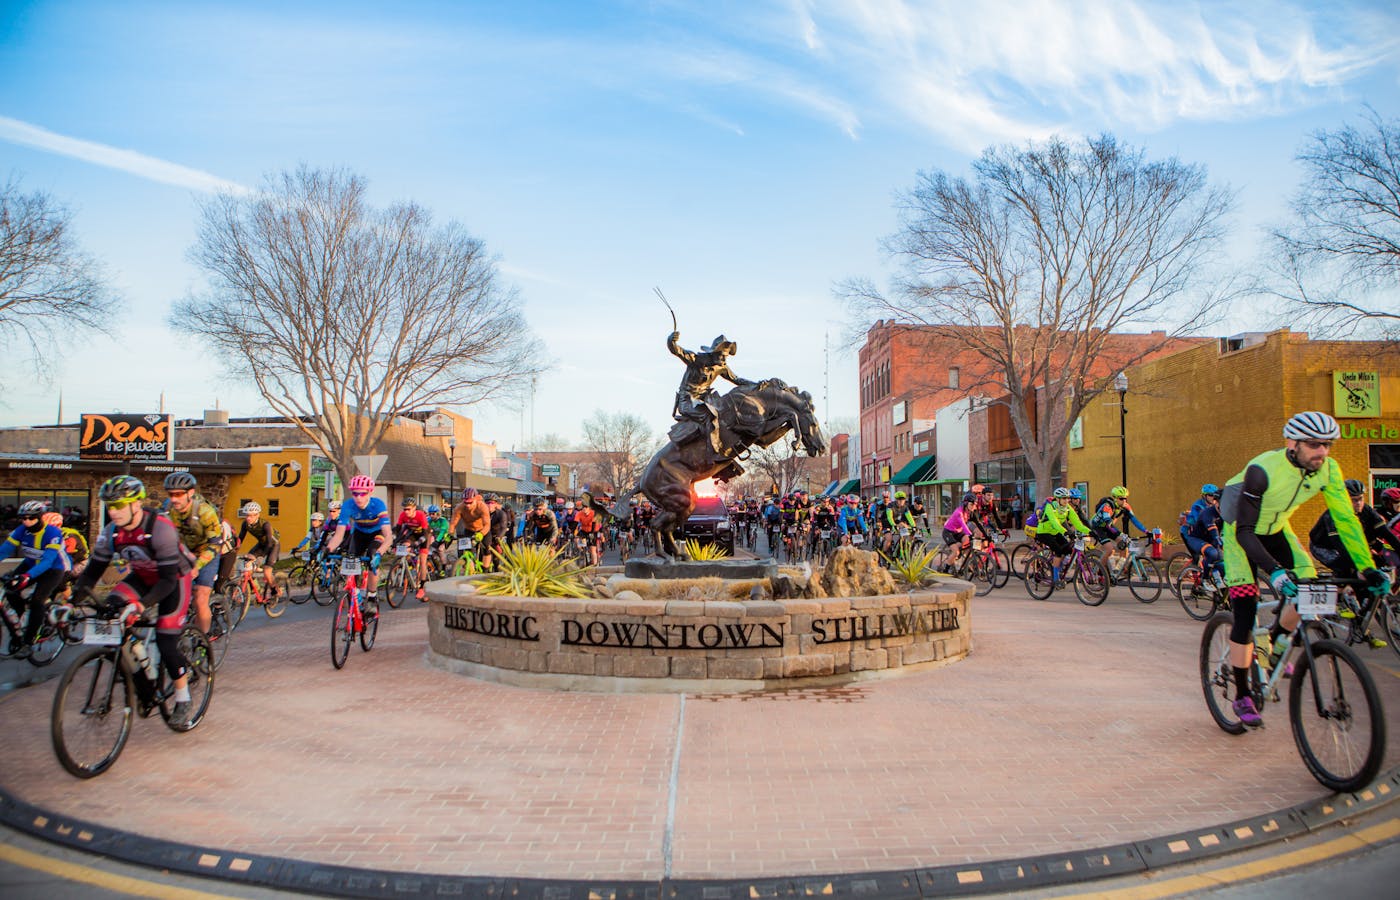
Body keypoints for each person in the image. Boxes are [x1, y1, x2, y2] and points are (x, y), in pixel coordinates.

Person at [1219, 412, 1390, 728]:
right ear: (1292, 443)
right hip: (1240, 533)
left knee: (1310, 588)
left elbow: (1346, 521)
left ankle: (1276, 640)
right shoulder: (1263, 470)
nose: (1322, 452)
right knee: (1245, 609)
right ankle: (1242, 693)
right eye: (1314, 444)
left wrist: (1367, 568)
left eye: (1326, 444)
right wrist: (1275, 572)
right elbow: (1245, 530)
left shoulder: (1329, 470)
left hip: (1278, 529)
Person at [70, 476, 196, 724]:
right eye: (110, 506)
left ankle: (183, 698)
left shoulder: (160, 528)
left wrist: (141, 605)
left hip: (174, 581)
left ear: (136, 505)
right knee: (111, 613)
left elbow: (168, 580)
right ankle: (143, 674)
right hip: (141, 576)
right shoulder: (111, 532)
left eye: (119, 505)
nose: (113, 512)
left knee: (166, 640)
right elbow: (93, 572)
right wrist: (71, 602)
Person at [1309, 478, 1400, 638]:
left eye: (1360, 499)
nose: (1358, 503)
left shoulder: (1367, 511)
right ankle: (1338, 601)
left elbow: (1387, 534)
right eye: (1354, 500)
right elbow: (1340, 546)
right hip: (1324, 546)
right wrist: (1361, 566)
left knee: (1372, 571)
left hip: (1348, 545)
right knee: (1345, 566)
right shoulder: (1334, 514)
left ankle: (1360, 618)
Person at [0, 500, 72, 658]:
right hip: (30, 563)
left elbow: (47, 561)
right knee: (10, 589)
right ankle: (21, 618)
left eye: (31, 518)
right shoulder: (21, 530)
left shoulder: (53, 533)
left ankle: (29, 641)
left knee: (38, 601)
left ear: (40, 517)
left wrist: (27, 577)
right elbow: (4, 550)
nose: (26, 521)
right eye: (23, 518)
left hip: (53, 569)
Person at [667, 330, 754, 454]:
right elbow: (677, 351)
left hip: (705, 399)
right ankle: (714, 451)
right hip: (687, 400)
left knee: (728, 409)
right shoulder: (696, 360)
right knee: (710, 415)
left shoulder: (721, 367)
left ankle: (729, 444)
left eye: (726, 356)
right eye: (722, 355)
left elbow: (736, 379)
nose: (725, 359)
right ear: (714, 353)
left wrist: (757, 384)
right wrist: (671, 341)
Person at [163, 472, 223, 636]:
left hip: (207, 552)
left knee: (200, 596)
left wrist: (197, 566)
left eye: (179, 494)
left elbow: (215, 544)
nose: (174, 499)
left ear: (190, 493)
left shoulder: (205, 511)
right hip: (183, 552)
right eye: (171, 494)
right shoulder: (167, 509)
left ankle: (202, 640)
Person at [324, 475, 393, 610]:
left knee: (372, 556)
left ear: (370, 492)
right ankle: (356, 596)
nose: (358, 498)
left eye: (363, 493)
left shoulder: (378, 505)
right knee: (351, 559)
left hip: (376, 534)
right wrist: (328, 549)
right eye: (355, 494)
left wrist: (380, 553)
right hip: (359, 533)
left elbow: (389, 535)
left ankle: (372, 596)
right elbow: (339, 535)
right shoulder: (348, 505)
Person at [1087, 486, 1150, 577]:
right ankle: (1098, 571)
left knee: (1124, 544)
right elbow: (1108, 524)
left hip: (1108, 526)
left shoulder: (1126, 506)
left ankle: (1120, 569)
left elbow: (1134, 520)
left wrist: (1146, 531)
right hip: (1097, 527)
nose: (1124, 501)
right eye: (1121, 498)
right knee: (1109, 549)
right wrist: (1121, 534)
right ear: (1115, 498)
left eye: (1125, 498)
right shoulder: (1107, 506)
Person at [1034, 487, 1091, 586]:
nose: (1067, 500)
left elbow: (1078, 523)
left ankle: (1058, 568)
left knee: (1068, 549)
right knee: (1059, 551)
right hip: (1044, 532)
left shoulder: (1068, 508)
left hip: (1056, 532)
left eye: (1067, 498)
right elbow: (1055, 522)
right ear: (1058, 499)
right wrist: (1066, 532)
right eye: (1064, 498)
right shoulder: (1050, 507)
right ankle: (1055, 579)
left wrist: (1091, 531)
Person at [1181, 484, 1225, 586]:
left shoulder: (1219, 509)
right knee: (1200, 556)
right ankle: (1199, 579)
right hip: (1191, 534)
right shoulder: (1198, 507)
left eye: (1214, 496)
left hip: (1208, 536)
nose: (1212, 498)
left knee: (1219, 560)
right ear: (1204, 496)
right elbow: (1207, 524)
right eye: (1210, 495)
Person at [236, 502, 281, 601]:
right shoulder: (245, 524)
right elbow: (240, 539)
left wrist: (261, 557)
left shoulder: (265, 524)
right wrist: (233, 550)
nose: (248, 518)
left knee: (267, 571)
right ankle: (256, 589)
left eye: (251, 516)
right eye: (247, 515)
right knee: (246, 564)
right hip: (261, 544)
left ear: (257, 515)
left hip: (273, 545)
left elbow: (269, 543)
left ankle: (275, 590)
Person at [394, 498, 432, 599]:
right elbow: (398, 530)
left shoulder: (420, 515)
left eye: (408, 509)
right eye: (404, 509)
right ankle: (408, 565)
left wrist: (417, 543)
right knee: (404, 547)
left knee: (423, 560)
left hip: (424, 535)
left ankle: (422, 588)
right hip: (412, 534)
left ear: (414, 508)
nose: (406, 511)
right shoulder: (403, 515)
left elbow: (425, 534)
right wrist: (395, 542)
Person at [449, 487, 491, 556]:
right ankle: (469, 565)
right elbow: (453, 523)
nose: (468, 505)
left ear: (476, 499)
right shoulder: (459, 508)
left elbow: (487, 525)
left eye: (470, 502)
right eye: (466, 503)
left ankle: (486, 567)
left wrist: (481, 533)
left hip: (483, 530)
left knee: (486, 549)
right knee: (467, 552)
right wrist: (450, 533)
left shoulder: (482, 506)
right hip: (469, 530)